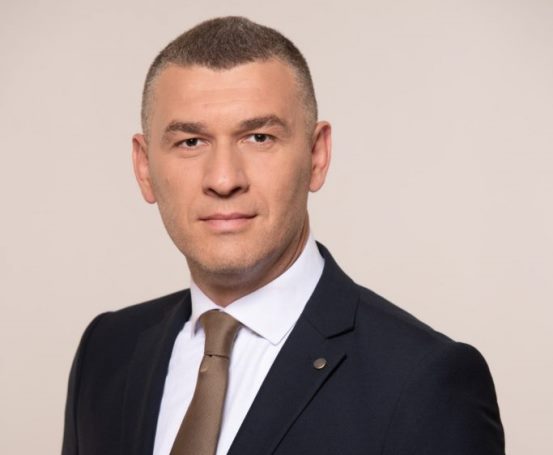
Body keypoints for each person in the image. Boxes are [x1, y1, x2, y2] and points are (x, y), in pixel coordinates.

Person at [62, 16, 505, 455]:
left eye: (259, 137)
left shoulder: (425, 382)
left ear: (317, 156)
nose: (223, 179)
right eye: (191, 142)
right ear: (144, 168)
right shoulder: (107, 352)